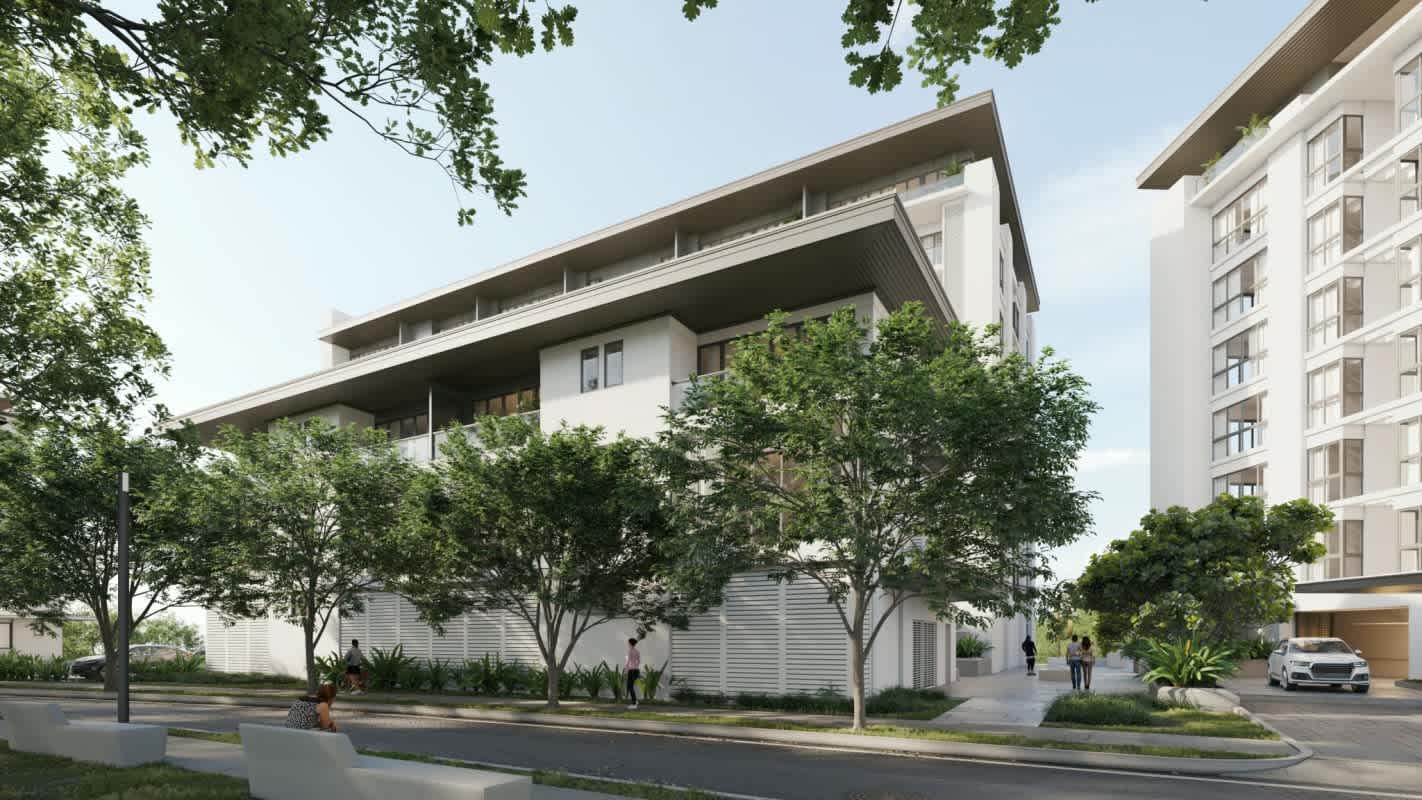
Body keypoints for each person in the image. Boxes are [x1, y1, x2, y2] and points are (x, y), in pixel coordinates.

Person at [625, 637, 642, 710]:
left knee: (630, 686)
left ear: (630, 643)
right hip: (636, 670)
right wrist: (635, 666)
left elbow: (628, 661)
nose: (627, 644)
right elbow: (638, 661)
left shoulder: (630, 651)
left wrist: (626, 669)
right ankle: (635, 701)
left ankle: (634, 704)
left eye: (628, 642)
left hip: (631, 671)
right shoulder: (637, 651)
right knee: (630, 686)